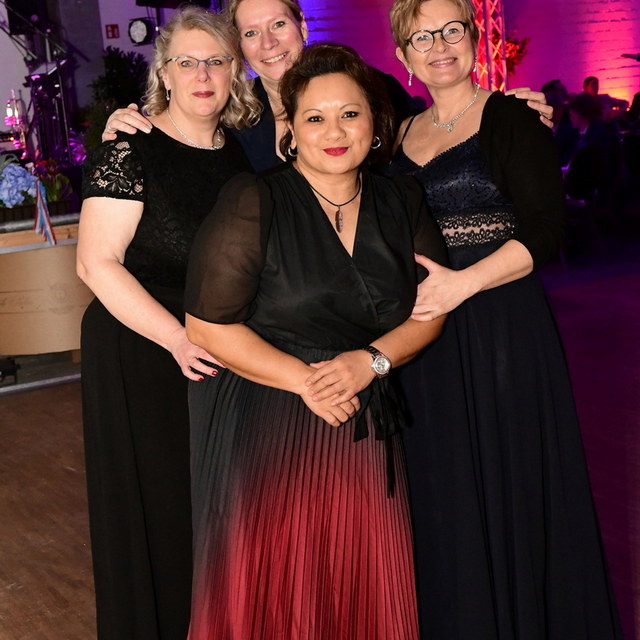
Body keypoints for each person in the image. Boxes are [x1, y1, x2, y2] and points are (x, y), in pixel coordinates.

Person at [182, 43, 448, 639]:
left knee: (359, 584)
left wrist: (371, 362)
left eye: (350, 114)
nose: (334, 131)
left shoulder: (402, 201)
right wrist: (306, 381)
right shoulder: (254, 200)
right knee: (274, 588)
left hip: (361, 413)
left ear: (375, 123)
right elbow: (207, 326)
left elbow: (431, 311)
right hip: (269, 415)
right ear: (292, 130)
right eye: (315, 117)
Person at [388, 0, 623, 638]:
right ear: (404, 56)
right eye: (421, 37)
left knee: (513, 476)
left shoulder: (512, 118)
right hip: (426, 336)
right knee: (446, 485)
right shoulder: (397, 135)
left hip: (501, 323)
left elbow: (546, 230)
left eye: (451, 30)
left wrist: (462, 284)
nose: (439, 46)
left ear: (473, 38)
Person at [76, 8, 259, 640]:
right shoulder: (129, 147)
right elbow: (95, 264)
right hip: (143, 347)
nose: (202, 75)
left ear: (234, 72)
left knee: (212, 511)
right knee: (162, 512)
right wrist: (177, 338)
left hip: (212, 347)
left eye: (216, 62)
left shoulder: (236, 152)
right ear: (165, 73)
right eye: (187, 62)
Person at [101, 0, 553, 172]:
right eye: (251, 32)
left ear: (302, 26)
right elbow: (184, 143)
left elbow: (433, 134)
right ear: (239, 46)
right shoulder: (235, 114)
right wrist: (130, 128)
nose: (269, 42)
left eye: (279, 24)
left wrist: (495, 113)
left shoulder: (370, 87)